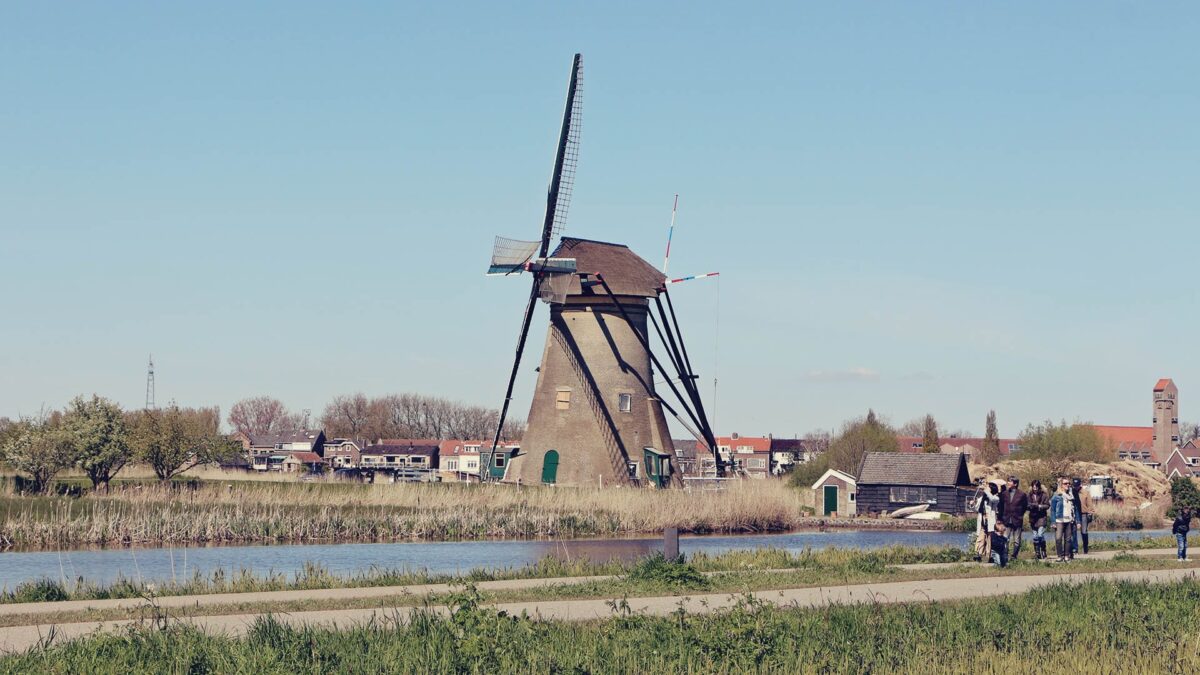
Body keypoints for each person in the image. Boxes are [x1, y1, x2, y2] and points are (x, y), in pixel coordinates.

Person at [1001, 476, 1028, 559]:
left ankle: (1014, 556)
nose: (1008, 483)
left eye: (1010, 481)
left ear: (1015, 484)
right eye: (1008, 481)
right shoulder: (1004, 494)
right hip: (1006, 519)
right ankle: (1005, 555)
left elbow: (1024, 506)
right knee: (1005, 538)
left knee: (1016, 539)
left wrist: (1019, 515)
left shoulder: (1022, 494)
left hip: (1017, 519)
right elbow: (1001, 506)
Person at [1050, 477, 1076, 562]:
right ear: (1061, 485)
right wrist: (1053, 521)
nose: (1068, 485)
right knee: (1058, 538)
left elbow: (1074, 508)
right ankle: (1059, 555)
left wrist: (1077, 520)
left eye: (1068, 483)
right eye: (1065, 483)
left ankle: (1066, 556)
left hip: (1068, 520)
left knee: (1068, 539)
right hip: (1059, 520)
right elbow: (1053, 510)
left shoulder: (1070, 496)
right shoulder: (1056, 496)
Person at [1027, 479, 1051, 560]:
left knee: (1040, 534)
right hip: (1033, 518)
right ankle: (1037, 553)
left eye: (1036, 486)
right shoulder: (1029, 495)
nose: (1035, 487)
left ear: (1039, 486)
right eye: (1033, 486)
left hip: (1041, 517)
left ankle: (1043, 550)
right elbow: (1027, 505)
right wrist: (1031, 506)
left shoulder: (1044, 495)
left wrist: (1040, 506)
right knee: (1035, 536)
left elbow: (1047, 505)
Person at [1071, 477, 1095, 555]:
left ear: (1080, 485)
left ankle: (1085, 548)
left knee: (1084, 531)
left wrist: (1090, 513)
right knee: (1073, 532)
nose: (1075, 487)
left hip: (1083, 514)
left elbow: (1090, 504)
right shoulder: (1071, 492)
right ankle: (1075, 549)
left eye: (1077, 485)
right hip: (1074, 514)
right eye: (1074, 485)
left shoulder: (1085, 492)